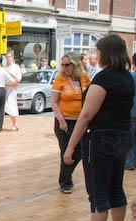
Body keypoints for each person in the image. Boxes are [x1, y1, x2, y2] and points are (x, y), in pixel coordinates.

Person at [63, 34, 135, 221]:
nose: (95, 54)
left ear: (106, 52)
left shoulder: (104, 79)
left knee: (97, 192)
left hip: (101, 139)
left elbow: (85, 116)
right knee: (115, 186)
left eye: (98, 50)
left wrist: (70, 148)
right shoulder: (127, 77)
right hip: (123, 136)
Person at [51, 52, 90, 194]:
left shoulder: (84, 77)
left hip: (80, 120)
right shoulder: (60, 79)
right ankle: (65, 181)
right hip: (64, 121)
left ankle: (65, 176)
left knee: (78, 150)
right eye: (62, 65)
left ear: (75, 64)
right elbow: (54, 102)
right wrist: (61, 120)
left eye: (67, 65)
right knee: (66, 151)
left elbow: (90, 96)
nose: (64, 68)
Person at [4, 53, 22, 132]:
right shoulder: (5, 68)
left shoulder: (16, 67)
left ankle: (14, 124)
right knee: (7, 106)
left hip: (12, 89)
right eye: (7, 57)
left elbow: (18, 79)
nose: (8, 58)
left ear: (12, 57)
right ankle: (14, 124)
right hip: (5, 89)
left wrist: (11, 82)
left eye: (9, 57)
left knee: (11, 105)